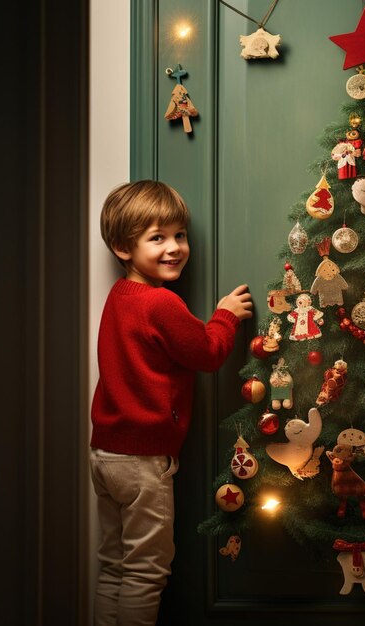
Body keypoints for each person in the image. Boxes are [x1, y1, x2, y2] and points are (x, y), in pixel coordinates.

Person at [89, 180, 253, 626]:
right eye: (157, 238)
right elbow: (207, 352)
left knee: (114, 564)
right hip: (143, 461)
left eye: (179, 235)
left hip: (106, 454)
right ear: (124, 248)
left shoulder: (119, 297)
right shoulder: (161, 303)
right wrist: (225, 315)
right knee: (146, 571)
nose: (175, 248)